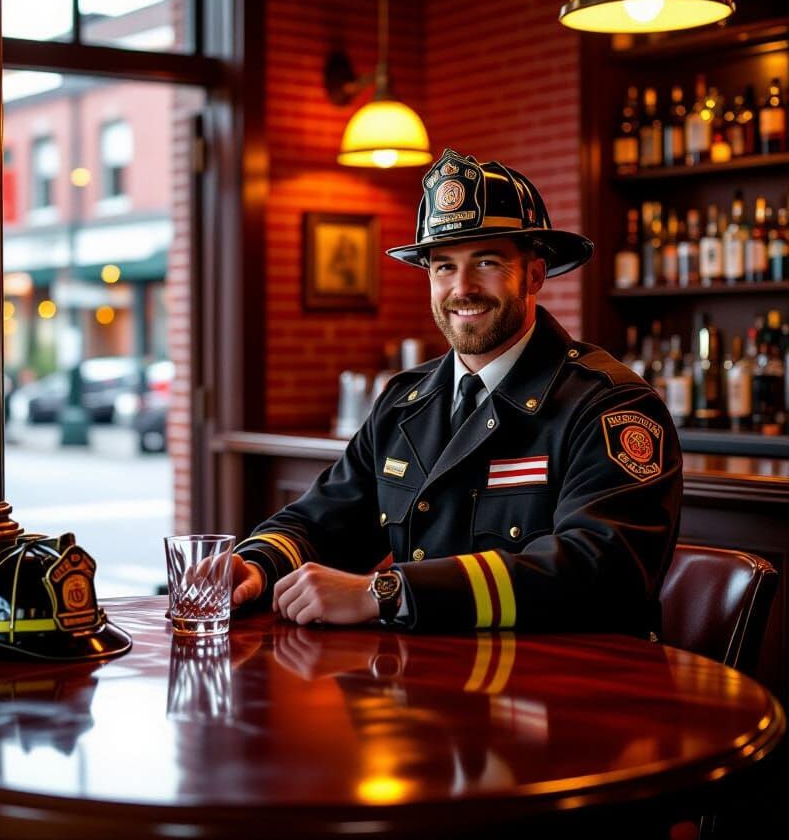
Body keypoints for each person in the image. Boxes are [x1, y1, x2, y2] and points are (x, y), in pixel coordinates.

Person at [231, 149, 681, 635]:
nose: (461, 288)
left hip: (564, 689)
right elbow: (324, 519)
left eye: (485, 261)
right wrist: (255, 567)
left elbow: (599, 569)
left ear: (533, 274)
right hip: (428, 683)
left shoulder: (609, 405)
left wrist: (386, 593)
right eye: (443, 266)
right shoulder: (405, 402)